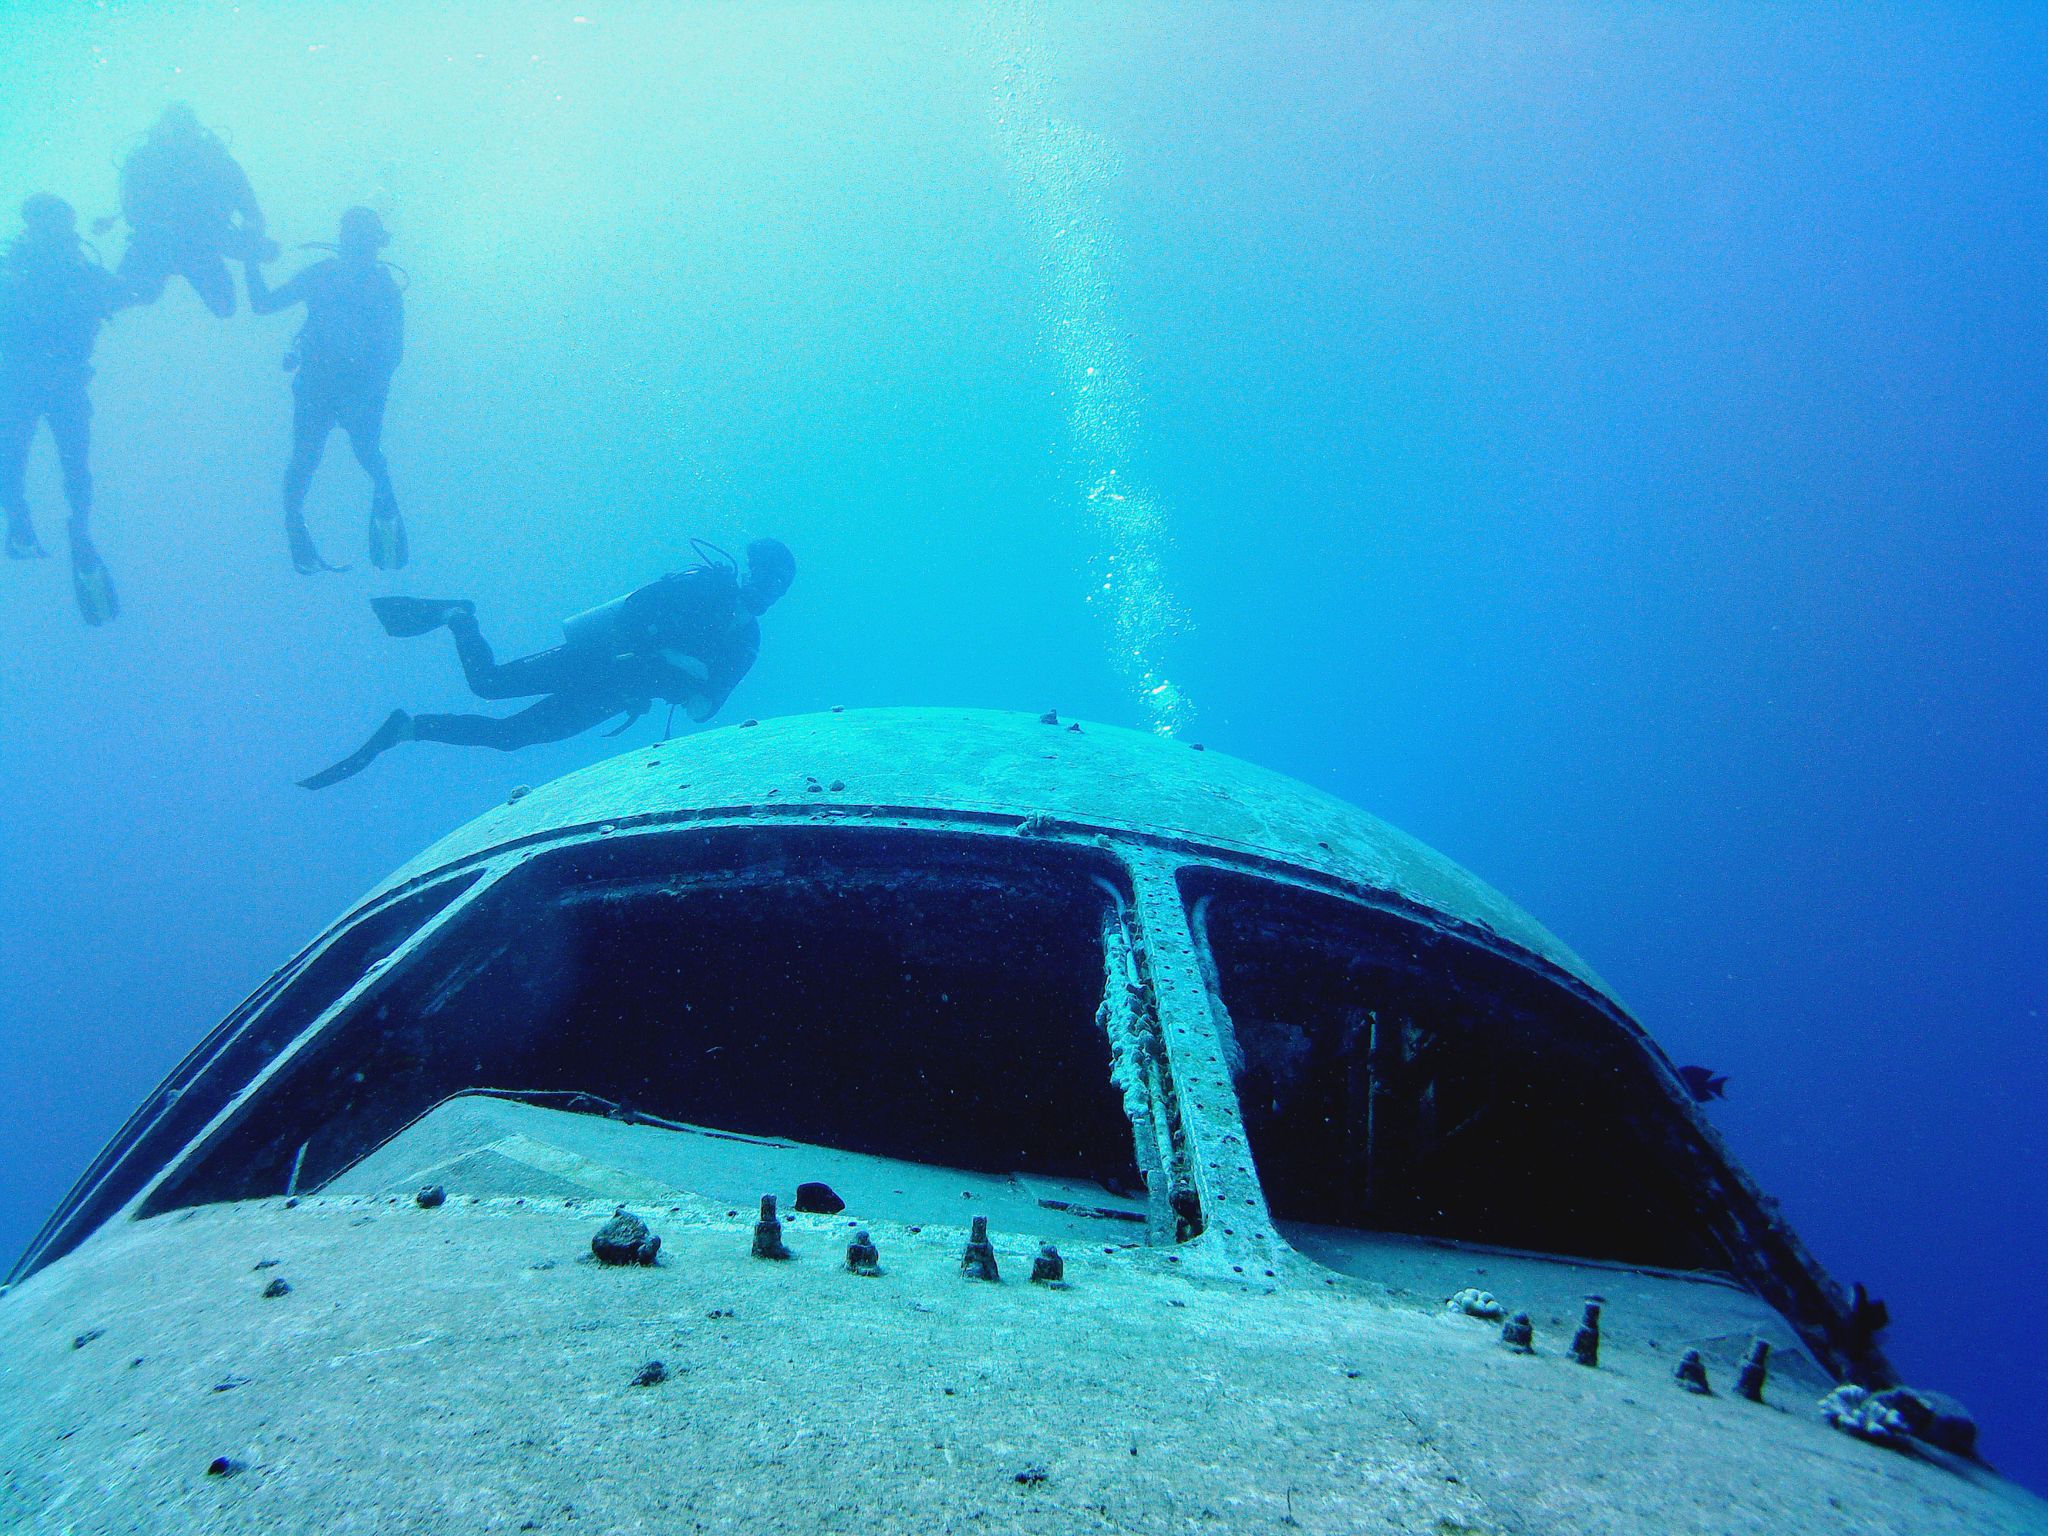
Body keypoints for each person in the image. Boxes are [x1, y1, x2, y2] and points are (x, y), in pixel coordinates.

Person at [299, 538, 797, 789]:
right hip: (593, 660)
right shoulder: (705, 585)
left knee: (510, 737)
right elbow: (636, 609)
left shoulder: (746, 644)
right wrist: (678, 665)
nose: (765, 591)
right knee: (488, 684)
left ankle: (407, 729)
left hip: (616, 696)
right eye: (764, 578)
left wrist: (679, 665)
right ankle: (459, 617)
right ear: (751, 573)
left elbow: (704, 710)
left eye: (776, 587)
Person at [246, 206, 406, 573]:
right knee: (360, 455)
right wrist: (249, 260)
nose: (359, 249)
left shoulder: (342, 279)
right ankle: (307, 520)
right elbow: (393, 355)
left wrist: (250, 261)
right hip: (335, 389)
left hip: (336, 389)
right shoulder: (364, 284)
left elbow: (393, 354)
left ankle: (301, 521)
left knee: (330, 457)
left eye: (363, 241)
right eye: (356, 240)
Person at [2, 194, 138, 625]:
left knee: (16, 460)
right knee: (72, 467)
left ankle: (25, 522)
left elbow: (130, 293)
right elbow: (134, 293)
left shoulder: (15, 270)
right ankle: (75, 534)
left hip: (24, 385)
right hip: (57, 385)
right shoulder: (81, 273)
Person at [110, 103, 274, 318]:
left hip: (191, 242)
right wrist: (249, 242)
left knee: (224, 307)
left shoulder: (212, 161)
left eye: (184, 130)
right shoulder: (151, 161)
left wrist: (250, 242)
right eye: (178, 130)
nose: (181, 138)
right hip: (169, 243)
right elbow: (251, 210)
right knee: (129, 295)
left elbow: (250, 210)